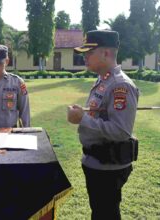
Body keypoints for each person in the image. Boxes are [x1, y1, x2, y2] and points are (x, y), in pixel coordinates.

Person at [67, 30, 139, 220]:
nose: (84, 56)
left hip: (108, 166)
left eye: (89, 52)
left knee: (106, 214)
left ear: (106, 53)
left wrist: (82, 119)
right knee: (100, 212)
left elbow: (121, 131)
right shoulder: (104, 80)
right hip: (97, 162)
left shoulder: (120, 85)